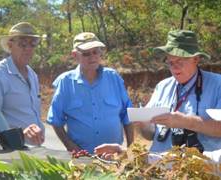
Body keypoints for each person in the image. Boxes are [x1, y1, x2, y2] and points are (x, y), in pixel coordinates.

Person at [94, 30, 221, 158]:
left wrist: (185, 121)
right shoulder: (162, 87)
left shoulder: (217, 85)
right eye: (170, 62)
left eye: (180, 61)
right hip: (161, 167)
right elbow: (150, 135)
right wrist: (143, 123)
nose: (174, 67)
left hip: (203, 169)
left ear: (196, 59)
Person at [47, 32, 133, 153]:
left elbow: (127, 115)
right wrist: (70, 145)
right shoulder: (65, 82)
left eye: (95, 52)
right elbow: (55, 120)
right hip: (82, 158)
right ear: (75, 55)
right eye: (86, 54)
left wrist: (131, 149)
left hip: (114, 156)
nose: (92, 57)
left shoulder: (113, 78)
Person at [0, 22, 44, 145]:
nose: (28, 49)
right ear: (10, 46)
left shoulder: (32, 75)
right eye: (23, 44)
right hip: (11, 153)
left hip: (34, 150)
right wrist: (19, 135)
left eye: (33, 44)